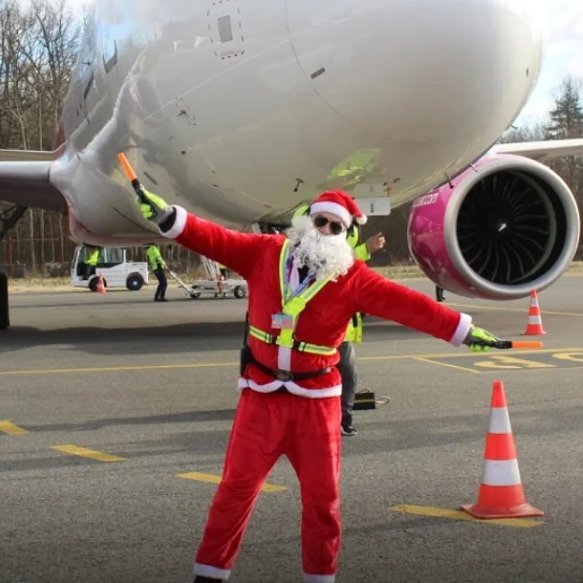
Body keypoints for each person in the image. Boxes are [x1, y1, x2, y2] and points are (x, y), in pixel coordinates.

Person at [133, 186, 500, 583]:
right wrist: (168, 216)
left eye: (334, 226)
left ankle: (320, 578)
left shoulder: (352, 276)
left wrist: (461, 330)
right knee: (233, 492)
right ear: (307, 221)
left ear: (344, 235)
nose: (324, 230)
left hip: (317, 406)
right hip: (261, 398)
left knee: (323, 504)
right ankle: (209, 575)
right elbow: (213, 238)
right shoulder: (264, 253)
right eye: (320, 221)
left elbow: (407, 305)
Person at [336, 223, 385, 436]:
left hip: (339, 330)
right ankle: (342, 417)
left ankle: (341, 417)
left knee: (344, 374)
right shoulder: (327, 247)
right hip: (331, 331)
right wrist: (366, 249)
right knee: (347, 374)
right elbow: (339, 262)